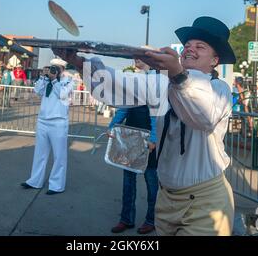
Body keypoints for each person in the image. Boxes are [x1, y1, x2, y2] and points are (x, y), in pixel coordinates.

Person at [53, 16, 236, 236]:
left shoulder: (220, 88)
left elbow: (201, 116)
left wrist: (177, 74)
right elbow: (116, 85)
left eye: (200, 46)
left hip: (206, 201)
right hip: (167, 198)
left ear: (215, 60)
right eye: (187, 45)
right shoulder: (163, 81)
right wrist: (78, 60)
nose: (190, 49)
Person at [108, 59, 159, 235]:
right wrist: (112, 126)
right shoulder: (132, 81)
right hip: (131, 137)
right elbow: (124, 109)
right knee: (128, 181)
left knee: (151, 182)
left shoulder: (155, 81)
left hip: (148, 141)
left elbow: (155, 114)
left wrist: (153, 139)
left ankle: (151, 220)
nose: (137, 58)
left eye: (142, 55)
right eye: (135, 55)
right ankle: (126, 219)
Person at [21, 61, 74, 194]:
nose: (53, 70)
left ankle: (56, 185)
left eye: (56, 68)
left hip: (58, 122)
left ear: (63, 69)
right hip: (43, 120)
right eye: (51, 67)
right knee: (40, 153)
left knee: (59, 155)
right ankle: (35, 181)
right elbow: (37, 90)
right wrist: (43, 78)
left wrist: (55, 80)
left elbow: (62, 94)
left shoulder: (68, 81)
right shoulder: (47, 80)